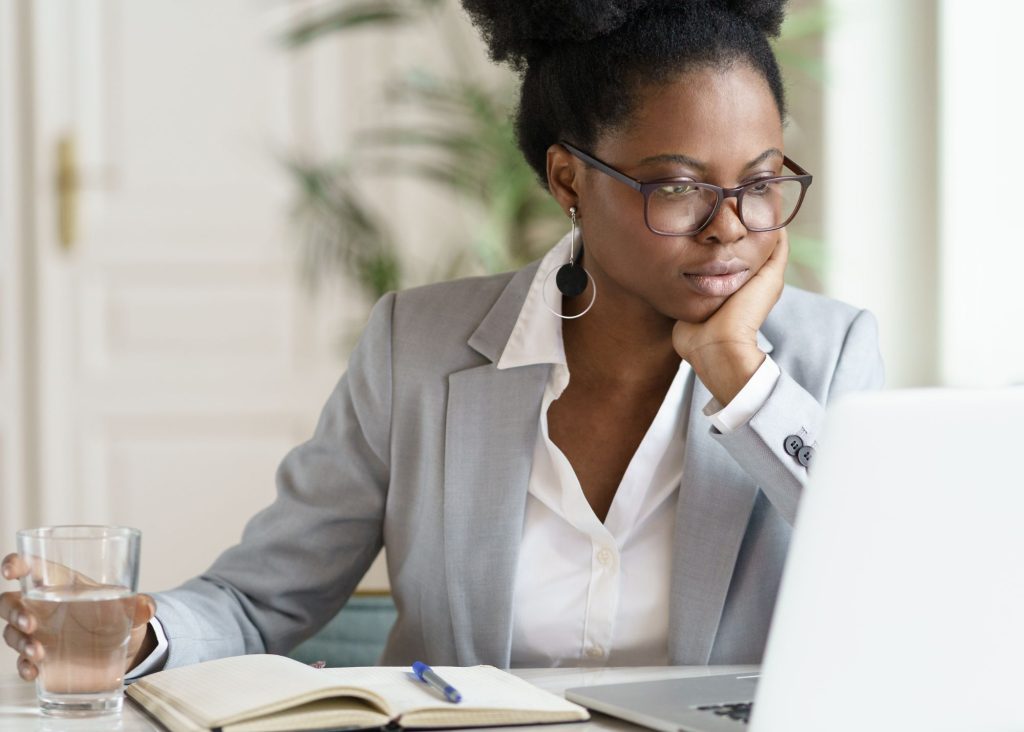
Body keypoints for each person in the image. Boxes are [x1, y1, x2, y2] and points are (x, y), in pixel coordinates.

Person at [2, 0, 883, 679]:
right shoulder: (417, 348)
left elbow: (896, 580)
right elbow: (257, 598)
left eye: (762, 183)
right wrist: (138, 629)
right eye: (679, 188)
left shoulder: (825, 355)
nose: (731, 227)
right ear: (569, 178)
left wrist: (740, 373)